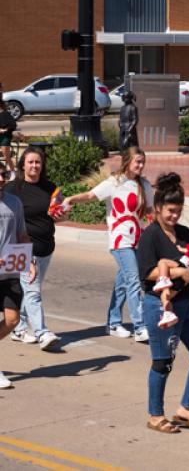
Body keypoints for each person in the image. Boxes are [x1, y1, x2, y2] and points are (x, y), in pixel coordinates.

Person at [137, 172, 189, 433]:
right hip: (162, 306)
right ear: (158, 208)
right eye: (170, 211)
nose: (174, 216)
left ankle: (185, 410)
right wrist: (179, 272)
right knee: (163, 362)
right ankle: (155, 415)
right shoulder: (150, 235)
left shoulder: (184, 233)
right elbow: (147, 272)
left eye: (178, 211)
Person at [63, 147, 153, 342]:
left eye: (142, 162)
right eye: (137, 161)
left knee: (123, 282)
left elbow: (150, 211)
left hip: (137, 239)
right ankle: (139, 327)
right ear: (128, 161)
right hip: (120, 240)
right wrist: (70, 199)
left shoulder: (144, 185)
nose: (140, 165)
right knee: (134, 280)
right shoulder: (114, 183)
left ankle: (113, 323)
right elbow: (90, 195)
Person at [5, 147, 62, 351]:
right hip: (22, 247)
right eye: (30, 162)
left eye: (38, 162)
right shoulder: (13, 188)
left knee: (29, 290)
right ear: (22, 165)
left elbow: (59, 210)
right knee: (32, 291)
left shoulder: (50, 187)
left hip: (46, 246)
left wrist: (61, 214)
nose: (34, 166)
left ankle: (19, 328)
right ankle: (42, 332)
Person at [0, 160, 36, 388]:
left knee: (13, 320)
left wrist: (30, 260)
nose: (1, 179)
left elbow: (21, 235)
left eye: (3, 174)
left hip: (10, 272)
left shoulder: (14, 203)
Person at [0, 100, 17, 175]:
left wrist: (4, 130)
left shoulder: (6, 114)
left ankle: (13, 173)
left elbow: (13, 125)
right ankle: (3, 170)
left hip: (5, 137)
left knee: (6, 156)